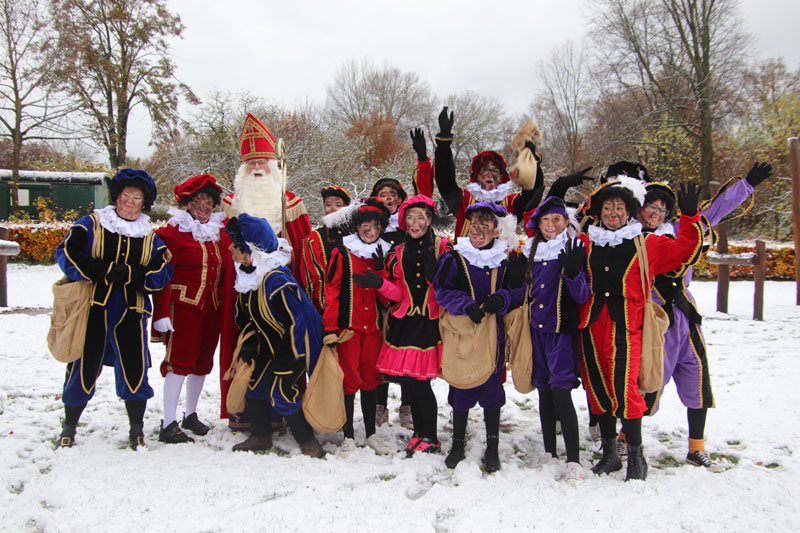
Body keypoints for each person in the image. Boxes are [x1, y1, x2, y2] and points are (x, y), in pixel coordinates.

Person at [638, 162, 773, 472]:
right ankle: (626, 436)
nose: (656, 211)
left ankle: (696, 448)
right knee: (649, 380)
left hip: (685, 316)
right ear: (640, 209)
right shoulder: (628, 237)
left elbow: (717, 210)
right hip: (652, 317)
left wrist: (748, 184)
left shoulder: (679, 230)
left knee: (697, 378)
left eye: (662, 206)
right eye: (650, 206)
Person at [577, 176, 703, 481]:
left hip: (628, 329)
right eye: (607, 207)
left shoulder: (647, 243)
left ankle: (635, 455)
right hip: (592, 325)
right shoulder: (588, 243)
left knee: (626, 391)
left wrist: (689, 217)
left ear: (630, 213)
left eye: (619, 207)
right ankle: (610, 455)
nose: (612, 213)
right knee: (598, 390)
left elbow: (686, 251)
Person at [55, 169, 173, 449]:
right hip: (92, 309)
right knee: (83, 366)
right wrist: (102, 270)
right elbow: (67, 253)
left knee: (134, 370)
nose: (129, 202)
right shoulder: (91, 224)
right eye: (125, 196)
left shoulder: (149, 237)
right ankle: (69, 427)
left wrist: (133, 275)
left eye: (136, 197)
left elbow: (163, 270)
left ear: (144, 204)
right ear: (116, 197)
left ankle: (136, 430)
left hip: (131, 313)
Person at [219, 113, 312, 427]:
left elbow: (303, 252)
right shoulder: (231, 203)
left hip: (280, 297)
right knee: (248, 353)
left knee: (285, 353)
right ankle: (249, 417)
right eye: (251, 163)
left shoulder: (292, 204)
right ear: (243, 169)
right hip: (243, 296)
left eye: (262, 162)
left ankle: (286, 415)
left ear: (274, 167)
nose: (257, 168)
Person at [356, 195, 451, 455]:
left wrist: (439, 279)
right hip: (405, 322)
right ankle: (419, 433)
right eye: (409, 217)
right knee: (409, 382)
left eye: (420, 217)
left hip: (430, 323)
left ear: (430, 219)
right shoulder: (397, 252)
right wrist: (379, 284)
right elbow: (397, 293)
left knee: (422, 383)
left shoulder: (443, 248)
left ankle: (430, 436)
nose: (414, 222)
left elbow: (452, 288)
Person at [225, 214, 324, 457]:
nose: (230, 249)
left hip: (291, 348)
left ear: (249, 251)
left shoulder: (277, 281)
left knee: (281, 391)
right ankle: (261, 436)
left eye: (235, 246)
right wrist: (249, 344)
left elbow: (297, 323)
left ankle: (307, 439)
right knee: (255, 387)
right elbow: (248, 318)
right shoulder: (249, 277)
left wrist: (287, 358)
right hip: (267, 348)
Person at [433, 202, 518, 472]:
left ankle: (492, 447)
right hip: (464, 331)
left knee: (492, 388)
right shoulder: (455, 255)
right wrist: (464, 303)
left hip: (494, 333)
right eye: (475, 225)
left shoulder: (506, 258)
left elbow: (517, 290)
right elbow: (441, 290)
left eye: (485, 226)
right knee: (462, 385)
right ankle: (458, 444)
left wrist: (502, 298)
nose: (478, 231)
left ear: (496, 231)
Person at [512, 196, 590, 485]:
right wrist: (516, 277)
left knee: (561, 394)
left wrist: (572, 272)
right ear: (539, 224)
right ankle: (548, 451)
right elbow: (522, 291)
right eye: (546, 220)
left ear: (566, 222)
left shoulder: (574, 249)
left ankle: (574, 461)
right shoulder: (532, 251)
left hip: (561, 333)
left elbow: (582, 295)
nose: (552, 225)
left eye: (557, 220)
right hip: (536, 332)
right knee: (544, 392)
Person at [151, 174, 230, 443]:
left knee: (201, 364)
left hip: (212, 308)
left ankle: (190, 415)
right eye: (197, 200)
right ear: (187, 204)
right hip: (183, 308)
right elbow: (159, 276)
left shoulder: (218, 232)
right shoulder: (172, 233)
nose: (204, 206)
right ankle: (169, 422)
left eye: (208, 200)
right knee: (179, 364)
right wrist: (160, 313)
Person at [323, 198, 392, 456]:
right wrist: (331, 328)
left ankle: (371, 434)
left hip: (373, 329)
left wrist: (381, 277)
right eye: (366, 224)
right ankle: (348, 435)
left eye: (375, 225)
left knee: (370, 380)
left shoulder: (383, 255)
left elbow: (387, 298)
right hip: (348, 330)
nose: (370, 230)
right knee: (349, 381)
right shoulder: (341, 253)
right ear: (357, 226)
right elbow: (332, 291)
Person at [432, 106, 543, 237]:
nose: (489, 173)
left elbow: (532, 192)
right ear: (477, 177)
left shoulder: (510, 204)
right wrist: (444, 143)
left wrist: (530, 161)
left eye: (494, 170)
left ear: (501, 177)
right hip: (465, 257)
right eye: (484, 170)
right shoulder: (464, 199)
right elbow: (445, 178)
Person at [300, 186, 352, 314]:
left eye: (338, 205)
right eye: (328, 204)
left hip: (354, 306)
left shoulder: (356, 235)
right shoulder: (314, 238)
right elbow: (314, 278)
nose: (332, 209)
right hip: (326, 307)